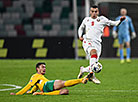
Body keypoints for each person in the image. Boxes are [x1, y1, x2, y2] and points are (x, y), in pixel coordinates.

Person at [77, 5, 126, 84]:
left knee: (94, 62)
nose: (94, 13)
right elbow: (81, 28)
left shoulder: (102, 19)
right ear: (90, 12)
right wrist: (80, 36)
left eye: (96, 11)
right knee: (93, 53)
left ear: (98, 12)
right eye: (92, 11)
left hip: (97, 43)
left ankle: (84, 70)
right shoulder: (86, 20)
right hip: (87, 41)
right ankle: (92, 76)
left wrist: (120, 21)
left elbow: (114, 23)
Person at [10, 62, 88, 95]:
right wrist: (17, 94)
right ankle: (82, 80)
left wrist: (31, 92)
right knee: (62, 82)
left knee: (65, 91)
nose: (44, 69)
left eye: (45, 67)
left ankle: (42, 94)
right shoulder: (35, 76)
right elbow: (28, 86)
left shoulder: (39, 78)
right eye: (42, 67)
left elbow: (36, 86)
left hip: (46, 88)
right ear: (37, 69)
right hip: (47, 85)